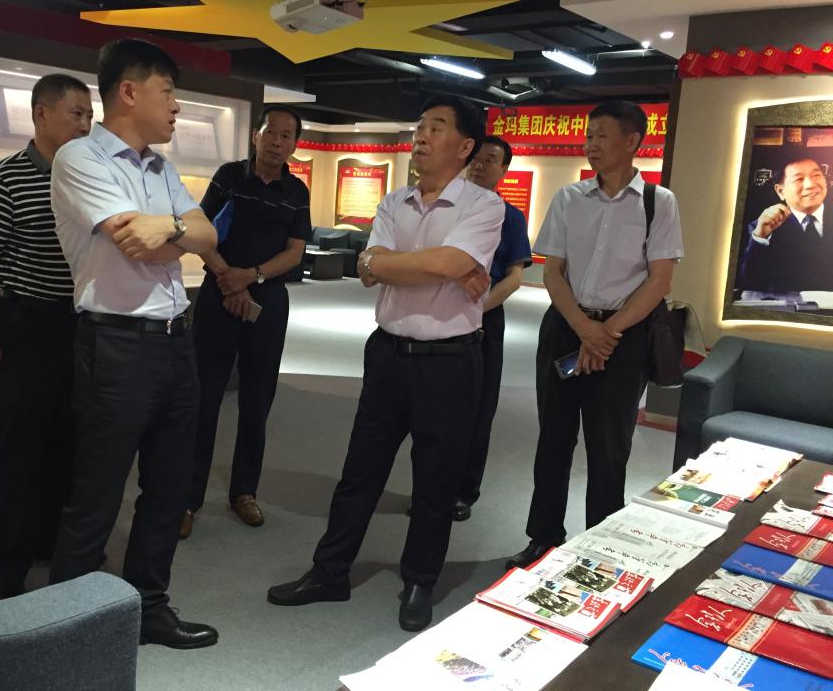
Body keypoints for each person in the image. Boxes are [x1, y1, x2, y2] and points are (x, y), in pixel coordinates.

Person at [267, 95, 504, 632]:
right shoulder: (395, 202)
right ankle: (330, 572)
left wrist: (418, 263)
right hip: (389, 354)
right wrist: (433, 266)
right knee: (360, 470)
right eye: (420, 127)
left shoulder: (483, 206)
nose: (421, 137)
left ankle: (420, 579)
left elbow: (439, 262)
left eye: (436, 128)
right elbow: (369, 269)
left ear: (465, 146)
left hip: (449, 362)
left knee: (436, 479)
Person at [48, 38, 219, 649]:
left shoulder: (161, 169)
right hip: (116, 345)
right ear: (128, 91)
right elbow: (138, 245)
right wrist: (178, 232)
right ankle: (68, 628)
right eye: (167, 91)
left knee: (169, 487)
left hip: (176, 341)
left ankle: (149, 606)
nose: (176, 106)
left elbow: (206, 235)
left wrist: (171, 227)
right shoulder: (80, 157)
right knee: (97, 491)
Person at [505, 100, 683, 571]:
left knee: (609, 446)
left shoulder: (658, 202)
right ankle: (543, 536)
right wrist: (585, 329)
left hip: (623, 339)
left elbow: (659, 281)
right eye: (588, 135)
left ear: (632, 141)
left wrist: (606, 333)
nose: (591, 144)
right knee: (554, 438)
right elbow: (553, 272)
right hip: (566, 328)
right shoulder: (569, 198)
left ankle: (598, 546)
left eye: (602, 135)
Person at [0, 73, 93, 601]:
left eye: (90, 116)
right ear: (42, 114)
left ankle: (50, 542)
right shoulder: (3, 180)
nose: (85, 125)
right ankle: (4, 566)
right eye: (76, 114)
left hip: (80, 325)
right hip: (25, 325)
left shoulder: (89, 178)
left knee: (69, 442)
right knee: (17, 448)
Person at [182, 106, 311, 539]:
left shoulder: (297, 191)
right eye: (270, 132)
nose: (277, 141)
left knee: (258, 401)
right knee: (204, 399)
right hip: (219, 294)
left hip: (268, 300)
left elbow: (294, 252)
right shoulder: (229, 176)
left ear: (295, 144)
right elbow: (200, 233)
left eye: (286, 135)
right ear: (256, 136)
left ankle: (244, 491)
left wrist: (250, 277)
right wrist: (229, 280)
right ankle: (188, 498)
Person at [453, 135, 532, 522]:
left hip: (485, 317)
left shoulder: (510, 217)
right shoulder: (448, 207)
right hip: (440, 315)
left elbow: (515, 276)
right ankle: (431, 486)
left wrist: (478, 310)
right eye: (476, 158)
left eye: (490, 160)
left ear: (504, 169)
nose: (480, 165)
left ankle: (463, 490)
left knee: (478, 408)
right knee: (437, 408)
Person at [738, 156, 833, 295]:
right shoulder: (761, 227)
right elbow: (748, 282)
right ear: (780, 191)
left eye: (816, 175)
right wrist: (760, 236)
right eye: (798, 179)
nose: (810, 184)